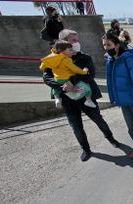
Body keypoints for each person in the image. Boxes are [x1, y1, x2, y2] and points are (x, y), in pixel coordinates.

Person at [42, 29, 120, 161]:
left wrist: (72, 82)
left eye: (77, 40)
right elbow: (46, 78)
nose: (77, 43)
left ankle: (111, 138)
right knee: (76, 126)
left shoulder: (84, 57)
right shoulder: (53, 60)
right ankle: (86, 149)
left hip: (85, 96)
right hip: (67, 99)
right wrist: (63, 86)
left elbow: (90, 75)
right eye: (74, 41)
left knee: (98, 119)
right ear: (63, 43)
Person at [40, 40, 95, 108]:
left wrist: (44, 67)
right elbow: (74, 69)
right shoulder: (66, 60)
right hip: (67, 79)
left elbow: (43, 65)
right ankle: (88, 100)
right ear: (62, 50)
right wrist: (84, 71)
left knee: (55, 90)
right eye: (70, 50)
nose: (72, 51)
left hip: (57, 79)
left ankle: (57, 99)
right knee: (87, 88)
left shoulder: (51, 57)